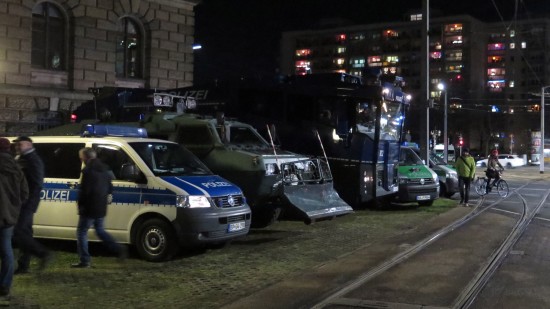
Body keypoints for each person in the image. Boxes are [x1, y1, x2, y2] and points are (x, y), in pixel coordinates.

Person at [73, 147, 126, 268]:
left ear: (86, 157)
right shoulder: (105, 168)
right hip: (101, 206)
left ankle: (85, 261)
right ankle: (118, 248)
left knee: (81, 232)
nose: (81, 159)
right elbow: (110, 188)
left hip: (89, 207)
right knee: (100, 230)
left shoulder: (87, 171)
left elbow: (85, 191)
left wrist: (80, 206)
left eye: (81, 157)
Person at [12, 136, 51, 274]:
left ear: (28, 144)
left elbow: (37, 184)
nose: (17, 147)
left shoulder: (33, 159)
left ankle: (43, 253)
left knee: (19, 231)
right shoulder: (23, 158)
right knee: (26, 232)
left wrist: (26, 201)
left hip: (27, 203)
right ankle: (24, 265)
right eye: (16, 145)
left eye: (19, 145)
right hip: (24, 202)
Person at [0, 137, 28, 299]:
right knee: (7, 250)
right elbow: (25, 193)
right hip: (9, 216)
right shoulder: (16, 168)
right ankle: (4, 285)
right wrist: (14, 206)